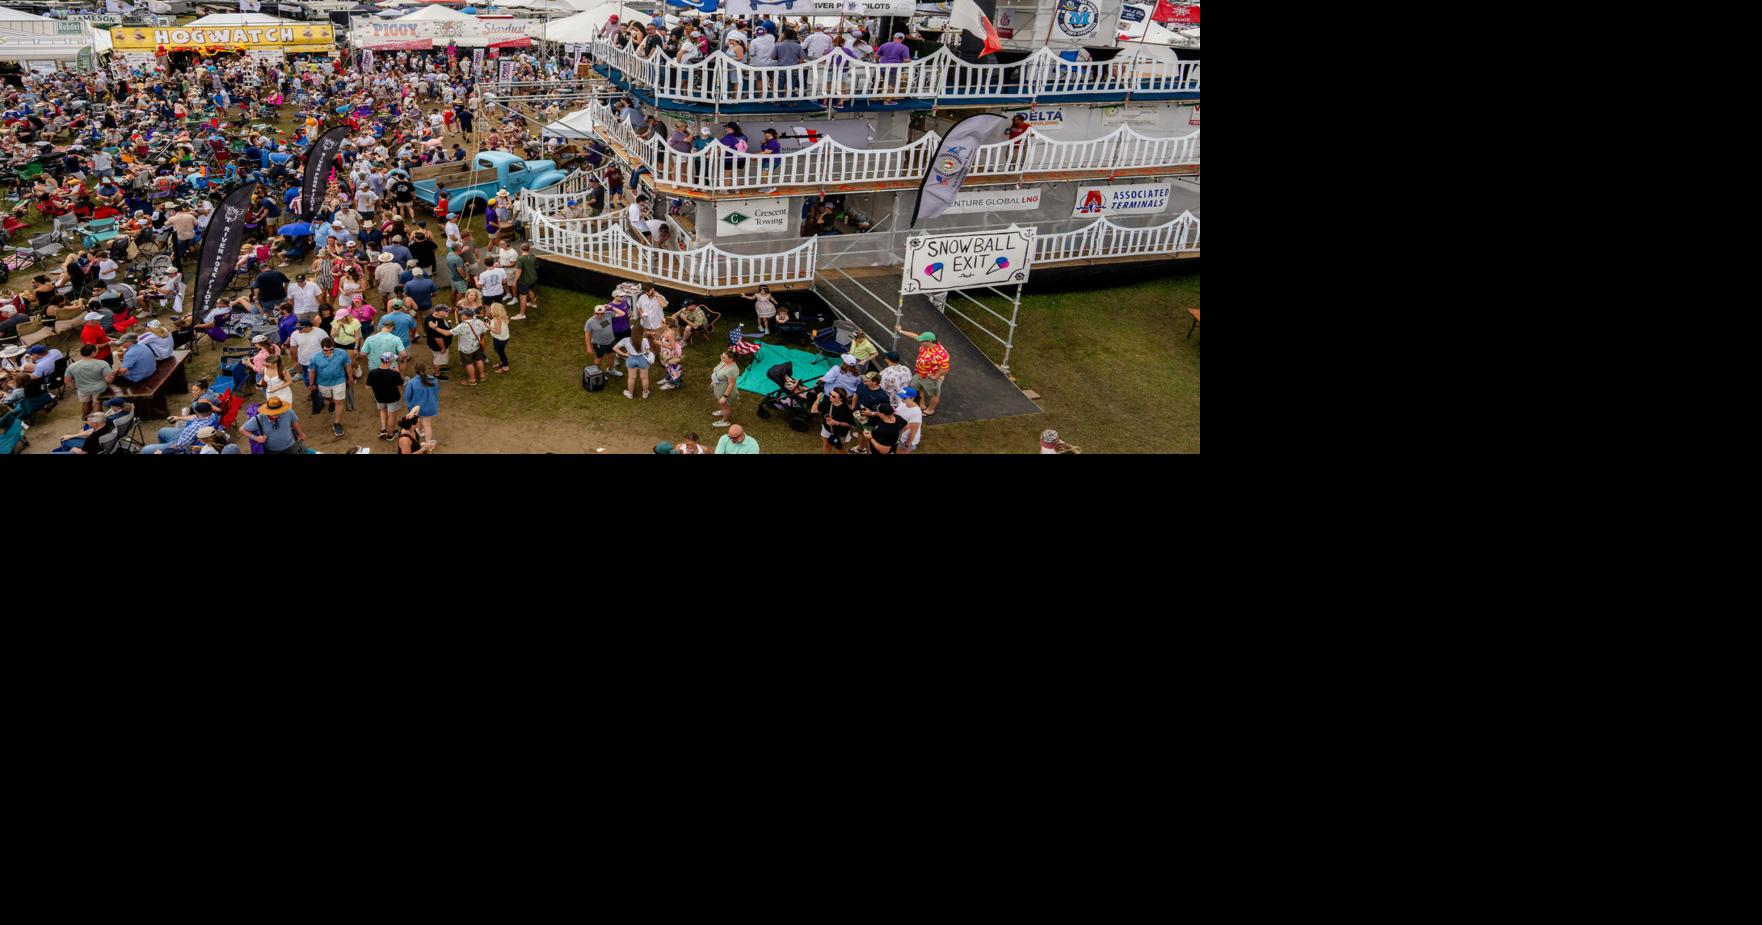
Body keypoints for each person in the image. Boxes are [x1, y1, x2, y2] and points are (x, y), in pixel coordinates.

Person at [305, 337, 354, 438]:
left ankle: (337, 423)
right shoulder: (315, 358)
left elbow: (348, 366)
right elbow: (312, 371)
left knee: (339, 401)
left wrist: (350, 377)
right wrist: (311, 384)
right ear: (322, 348)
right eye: (325, 350)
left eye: (331, 349)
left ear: (333, 347)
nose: (328, 352)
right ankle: (332, 402)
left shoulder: (342, 353)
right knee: (327, 397)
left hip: (339, 380)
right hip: (323, 383)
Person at [895, 327, 950, 416]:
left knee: (934, 395)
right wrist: (900, 331)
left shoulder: (940, 354)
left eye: (922, 341)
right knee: (916, 387)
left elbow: (945, 369)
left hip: (931, 377)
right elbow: (915, 336)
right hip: (920, 373)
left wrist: (936, 376)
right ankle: (922, 403)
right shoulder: (926, 344)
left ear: (930, 341)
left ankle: (930, 410)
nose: (920, 342)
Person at [138, 400, 217, 454]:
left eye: (196, 412)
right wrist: (178, 418)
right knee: (161, 431)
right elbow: (194, 417)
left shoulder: (197, 428)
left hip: (179, 443)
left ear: (198, 413)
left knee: (145, 450)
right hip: (182, 433)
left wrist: (164, 452)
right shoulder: (211, 415)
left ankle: (163, 448)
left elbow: (180, 445)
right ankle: (163, 446)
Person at [241, 396, 306, 454]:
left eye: (278, 410)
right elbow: (242, 429)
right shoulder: (259, 418)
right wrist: (256, 438)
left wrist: (300, 433)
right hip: (271, 451)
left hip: (291, 447)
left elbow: (294, 422)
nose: (275, 413)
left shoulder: (289, 412)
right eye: (272, 411)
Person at [66, 344, 116, 416]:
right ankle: (97, 420)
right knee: (97, 403)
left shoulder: (72, 366)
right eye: (96, 350)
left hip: (82, 389)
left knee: (85, 403)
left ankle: (85, 417)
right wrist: (107, 383)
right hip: (99, 388)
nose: (97, 351)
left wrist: (74, 387)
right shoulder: (102, 363)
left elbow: (67, 381)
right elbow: (111, 377)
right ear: (93, 352)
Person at [366, 351, 405, 441]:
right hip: (393, 397)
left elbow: (367, 386)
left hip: (379, 397)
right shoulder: (394, 374)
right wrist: (398, 373)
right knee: (391, 415)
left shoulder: (372, 373)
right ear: (389, 361)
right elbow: (401, 385)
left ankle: (383, 429)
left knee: (383, 410)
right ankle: (390, 434)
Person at [448, 307, 491, 386]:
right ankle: (482, 376)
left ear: (466, 316)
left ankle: (472, 380)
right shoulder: (479, 321)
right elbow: (484, 330)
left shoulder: (462, 326)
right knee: (479, 360)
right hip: (477, 345)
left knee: (469, 364)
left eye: (462, 314)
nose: (460, 315)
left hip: (466, 349)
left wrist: (435, 327)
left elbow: (447, 333)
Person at [402, 363, 441, 449]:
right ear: (425, 369)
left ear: (415, 370)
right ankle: (428, 444)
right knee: (428, 425)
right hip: (430, 407)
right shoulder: (434, 380)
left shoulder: (412, 382)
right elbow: (437, 391)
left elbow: (407, 396)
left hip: (416, 407)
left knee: (418, 420)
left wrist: (409, 406)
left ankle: (419, 431)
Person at [811, 387, 856, 453]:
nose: (830, 397)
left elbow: (850, 425)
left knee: (840, 449)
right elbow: (813, 410)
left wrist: (837, 423)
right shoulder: (827, 402)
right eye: (830, 394)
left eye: (834, 396)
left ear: (840, 399)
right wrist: (818, 399)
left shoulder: (846, 409)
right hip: (826, 429)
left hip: (840, 433)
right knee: (826, 446)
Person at [615, 328, 653, 400]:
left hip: (631, 359)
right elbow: (648, 350)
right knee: (644, 378)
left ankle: (630, 394)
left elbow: (615, 348)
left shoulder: (625, 340)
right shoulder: (645, 340)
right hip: (643, 359)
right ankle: (645, 393)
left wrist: (624, 354)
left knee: (631, 377)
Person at [709, 349, 740, 428]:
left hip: (725, 390)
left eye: (723, 357)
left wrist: (725, 397)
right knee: (722, 404)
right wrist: (713, 382)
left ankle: (725, 421)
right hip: (719, 387)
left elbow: (731, 384)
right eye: (722, 356)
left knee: (725, 405)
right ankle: (723, 411)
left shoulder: (732, 370)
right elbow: (717, 371)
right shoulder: (724, 362)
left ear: (731, 359)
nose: (721, 358)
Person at [423, 304, 454, 379]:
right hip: (438, 346)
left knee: (439, 358)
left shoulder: (430, 317)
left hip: (433, 342)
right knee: (437, 360)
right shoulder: (435, 324)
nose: (447, 312)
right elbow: (438, 338)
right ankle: (437, 374)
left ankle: (439, 367)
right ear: (438, 312)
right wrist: (443, 348)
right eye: (445, 311)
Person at [894, 388, 924, 454]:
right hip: (899, 435)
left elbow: (913, 432)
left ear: (912, 398)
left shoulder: (916, 412)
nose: (902, 399)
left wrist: (907, 445)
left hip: (904, 440)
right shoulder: (903, 403)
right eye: (901, 396)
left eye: (904, 398)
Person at [486, 303, 511, 374]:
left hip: (500, 339)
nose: (490, 310)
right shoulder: (500, 317)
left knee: (501, 352)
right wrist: (490, 322)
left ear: (495, 311)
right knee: (497, 350)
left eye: (491, 309)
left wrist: (488, 326)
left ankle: (505, 366)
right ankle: (502, 362)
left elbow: (497, 331)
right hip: (502, 337)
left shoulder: (497, 320)